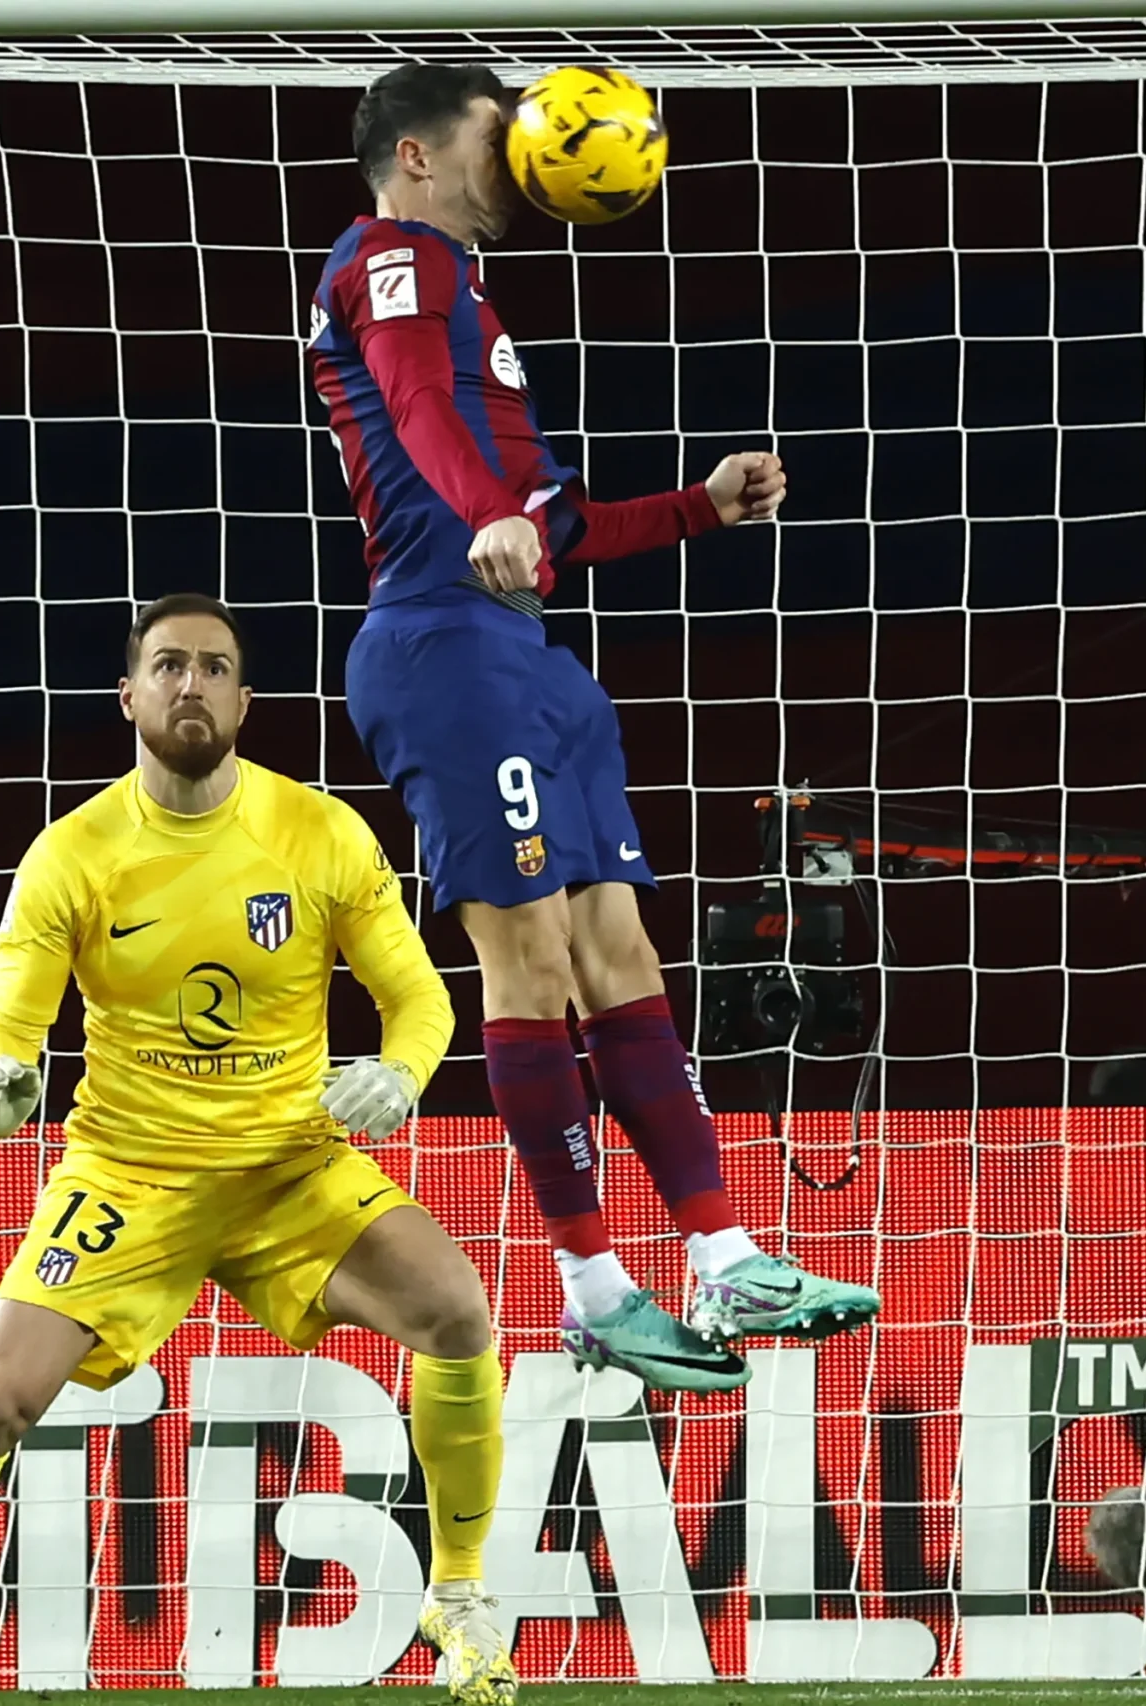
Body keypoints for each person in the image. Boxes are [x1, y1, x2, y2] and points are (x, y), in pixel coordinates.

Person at [0, 594, 516, 1706]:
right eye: (169, 665)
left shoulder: (320, 832)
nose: (192, 683)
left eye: (215, 666)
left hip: (291, 1166)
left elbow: (418, 997)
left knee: (458, 1310)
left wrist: (402, 1070)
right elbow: (7, 1025)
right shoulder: (72, 854)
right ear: (129, 694)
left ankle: (460, 1594)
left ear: (244, 699)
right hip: (130, 1174)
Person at [306, 62, 879, 1395]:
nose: (518, 166)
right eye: (492, 144)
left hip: (522, 648)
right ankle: (593, 1285)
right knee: (535, 956)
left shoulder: (470, 297)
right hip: (440, 639)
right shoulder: (390, 260)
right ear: (416, 160)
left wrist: (700, 508)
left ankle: (723, 1253)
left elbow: (551, 529)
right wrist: (482, 513)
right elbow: (417, 413)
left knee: (619, 941)